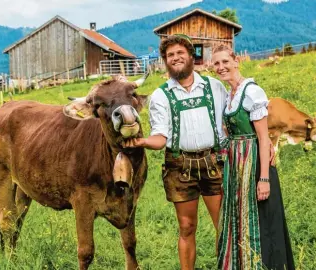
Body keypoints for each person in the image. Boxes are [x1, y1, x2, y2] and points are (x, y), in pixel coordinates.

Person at [123, 34, 227, 269]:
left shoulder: (214, 87)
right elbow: (161, 138)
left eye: (180, 53)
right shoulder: (161, 95)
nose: (175, 58)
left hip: (214, 163)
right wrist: (141, 142)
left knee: (224, 224)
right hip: (180, 166)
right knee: (186, 226)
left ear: (191, 56)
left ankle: (228, 265)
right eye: (170, 55)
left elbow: (228, 123)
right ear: (165, 61)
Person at [211, 44, 295, 270]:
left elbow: (263, 137)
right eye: (216, 63)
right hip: (237, 166)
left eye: (225, 62)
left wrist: (264, 178)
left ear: (236, 61)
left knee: (262, 220)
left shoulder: (252, 92)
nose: (221, 67)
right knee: (239, 216)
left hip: (255, 164)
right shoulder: (230, 94)